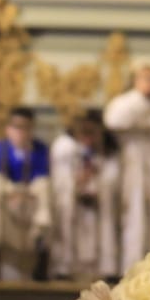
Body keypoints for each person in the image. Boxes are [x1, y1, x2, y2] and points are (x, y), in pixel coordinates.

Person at [103, 62, 150, 269]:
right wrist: (139, 101)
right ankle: (131, 267)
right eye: (142, 78)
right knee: (134, 215)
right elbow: (113, 120)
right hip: (133, 164)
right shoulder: (128, 102)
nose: (147, 83)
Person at [0, 107, 52, 281]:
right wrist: (12, 191)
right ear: (8, 129)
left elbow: (42, 178)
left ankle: (42, 247)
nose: (20, 132)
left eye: (25, 127)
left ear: (31, 129)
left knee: (45, 186)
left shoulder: (41, 150)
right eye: (16, 127)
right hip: (8, 196)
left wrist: (24, 193)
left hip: (31, 195)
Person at [50, 109, 122, 280]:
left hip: (100, 204)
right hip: (74, 202)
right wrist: (79, 182)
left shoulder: (110, 152)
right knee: (65, 205)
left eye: (93, 133)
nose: (89, 138)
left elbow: (114, 179)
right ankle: (65, 266)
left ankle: (107, 267)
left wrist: (97, 184)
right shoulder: (66, 148)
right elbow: (60, 181)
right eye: (85, 132)